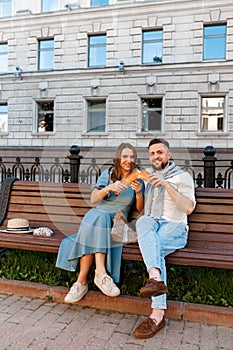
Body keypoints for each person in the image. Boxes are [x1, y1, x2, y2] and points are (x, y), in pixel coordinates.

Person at [56, 143, 144, 303]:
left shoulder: (138, 178)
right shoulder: (108, 174)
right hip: (97, 217)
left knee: (97, 221)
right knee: (99, 216)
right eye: (125, 156)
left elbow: (138, 210)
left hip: (117, 222)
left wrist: (138, 193)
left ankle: (83, 281)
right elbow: (94, 199)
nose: (129, 160)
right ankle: (98, 275)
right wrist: (108, 188)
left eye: (132, 157)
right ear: (118, 158)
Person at [133, 138, 196, 339]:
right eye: (152, 153)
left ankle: (157, 314)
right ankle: (156, 279)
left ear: (169, 155)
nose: (155, 156)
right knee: (142, 222)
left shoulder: (182, 176)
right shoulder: (150, 179)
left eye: (160, 152)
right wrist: (138, 193)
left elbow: (188, 208)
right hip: (153, 223)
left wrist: (166, 185)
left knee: (155, 247)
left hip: (174, 226)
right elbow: (143, 210)